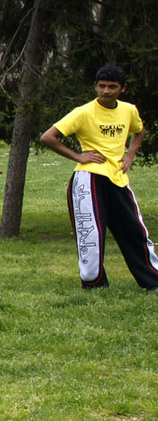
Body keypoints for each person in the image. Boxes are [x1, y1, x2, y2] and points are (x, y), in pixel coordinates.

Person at [40, 65, 157, 290]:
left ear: (122, 89)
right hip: (88, 179)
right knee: (91, 234)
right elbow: (48, 137)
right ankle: (94, 283)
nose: (106, 91)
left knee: (135, 230)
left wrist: (130, 154)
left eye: (112, 87)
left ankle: (152, 280)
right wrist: (77, 155)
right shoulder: (82, 112)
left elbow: (139, 130)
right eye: (101, 86)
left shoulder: (128, 110)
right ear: (95, 86)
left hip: (118, 178)